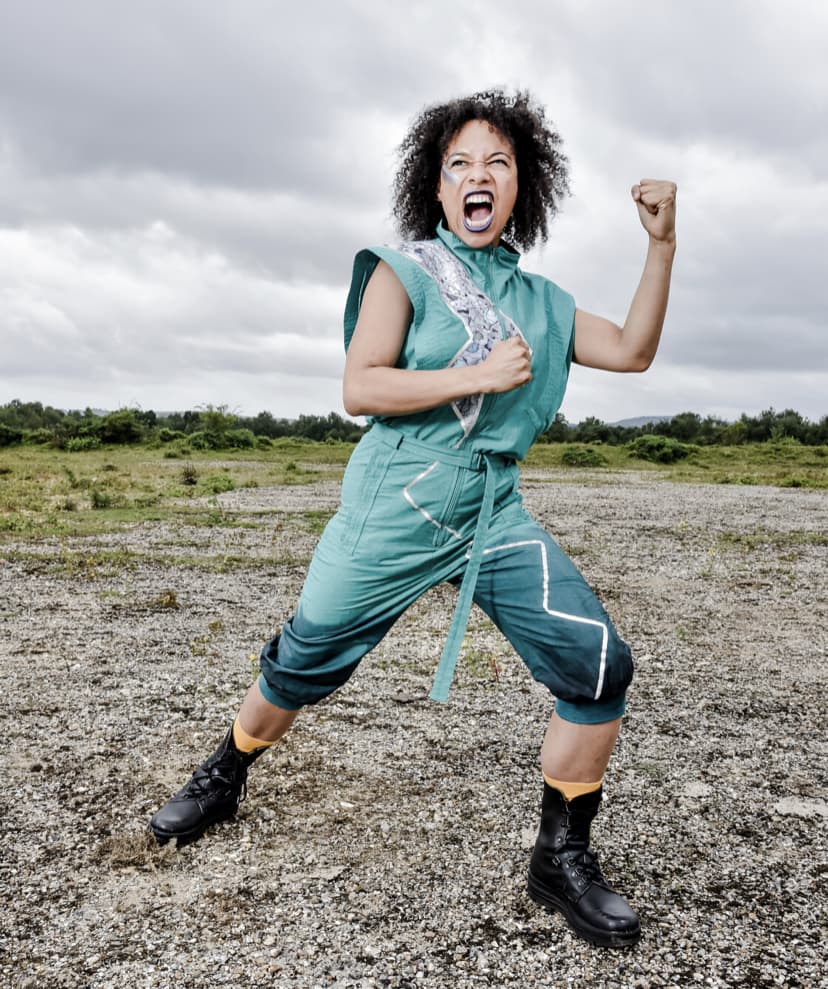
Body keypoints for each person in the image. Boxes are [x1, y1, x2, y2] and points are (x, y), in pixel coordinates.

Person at [149, 89, 677, 949]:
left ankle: (561, 855)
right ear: (436, 189)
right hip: (398, 499)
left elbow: (633, 350)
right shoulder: (405, 272)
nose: (478, 175)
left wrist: (662, 246)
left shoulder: (542, 300)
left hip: (492, 509)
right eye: (459, 163)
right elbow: (362, 387)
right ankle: (226, 770)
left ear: (520, 188)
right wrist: (473, 375)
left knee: (598, 663)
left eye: (497, 163)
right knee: (304, 655)